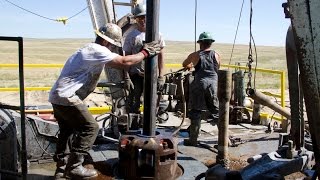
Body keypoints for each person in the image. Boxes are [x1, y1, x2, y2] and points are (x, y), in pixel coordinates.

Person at [48, 23, 161, 179]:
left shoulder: (87, 49)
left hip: (56, 97)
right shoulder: (98, 50)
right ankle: (74, 168)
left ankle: (61, 170)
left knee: (67, 132)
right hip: (67, 96)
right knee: (91, 127)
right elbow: (124, 62)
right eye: (114, 45)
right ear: (109, 43)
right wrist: (145, 52)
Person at [123, 3, 166, 115]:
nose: (143, 20)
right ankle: (133, 125)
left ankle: (151, 124)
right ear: (136, 19)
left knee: (153, 104)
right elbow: (127, 57)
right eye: (140, 18)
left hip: (152, 76)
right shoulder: (132, 36)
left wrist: (161, 76)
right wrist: (126, 77)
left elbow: (161, 57)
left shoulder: (158, 35)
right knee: (134, 103)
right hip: (135, 76)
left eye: (145, 17)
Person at [182, 32, 221, 146]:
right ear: (210, 43)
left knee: (196, 111)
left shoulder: (195, 55)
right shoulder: (217, 55)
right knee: (216, 112)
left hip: (199, 84)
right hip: (213, 85)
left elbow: (185, 64)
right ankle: (225, 139)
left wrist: (190, 66)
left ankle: (193, 140)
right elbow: (217, 68)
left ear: (200, 43)